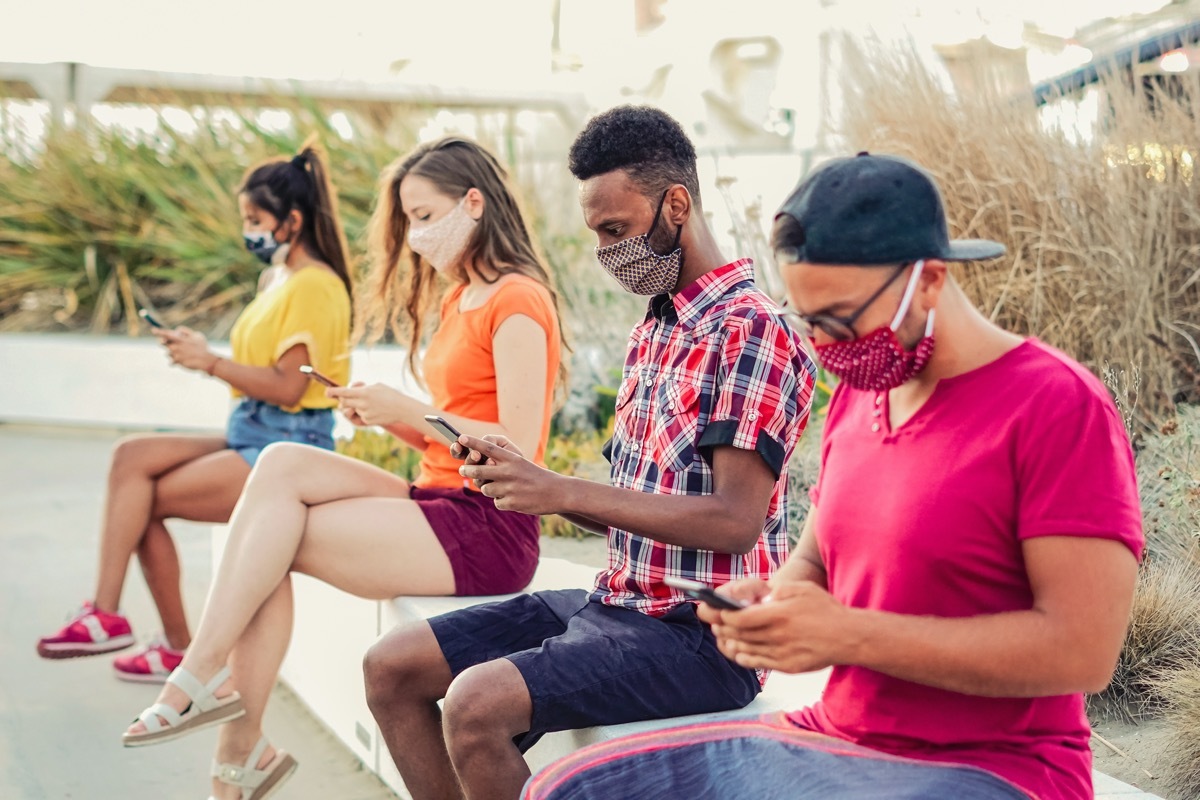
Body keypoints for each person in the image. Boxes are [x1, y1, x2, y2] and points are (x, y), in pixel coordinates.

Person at [521, 153, 1144, 800]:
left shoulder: (1056, 405)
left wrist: (848, 635)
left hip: (991, 767)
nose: (823, 346)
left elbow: (1083, 651)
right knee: (571, 787)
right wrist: (767, 609)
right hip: (836, 736)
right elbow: (814, 565)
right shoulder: (863, 393)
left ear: (928, 279)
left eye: (839, 319)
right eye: (808, 319)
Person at [362, 105, 816, 800]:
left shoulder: (751, 331)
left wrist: (561, 491)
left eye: (618, 230)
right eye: (597, 235)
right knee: (392, 666)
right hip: (617, 603)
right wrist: (530, 485)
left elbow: (733, 521)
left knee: (477, 705)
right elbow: (637, 503)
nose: (608, 253)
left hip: (704, 636)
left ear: (676, 204)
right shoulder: (654, 332)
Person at [117, 136, 566, 800]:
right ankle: (229, 727)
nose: (415, 236)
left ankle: (215, 704)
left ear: (474, 203)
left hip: (490, 528)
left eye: (424, 215)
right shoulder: (458, 299)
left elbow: (518, 449)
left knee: (275, 536)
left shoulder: (517, 298)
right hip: (441, 497)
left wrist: (408, 404)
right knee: (282, 466)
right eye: (408, 220)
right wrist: (388, 418)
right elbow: (448, 442)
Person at [36, 138, 354, 683]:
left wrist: (208, 363)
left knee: (146, 501)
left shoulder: (317, 288)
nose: (248, 229)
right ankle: (106, 613)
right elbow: (263, 370)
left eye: (255, 218)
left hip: (290, 443)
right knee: (131, 458)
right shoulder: (275, 280)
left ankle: (176, 648)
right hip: (251, 429)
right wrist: (202, 353)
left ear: (292, 221)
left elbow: (285, 387)